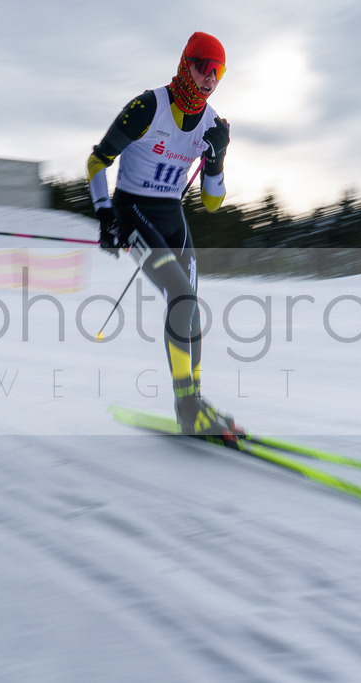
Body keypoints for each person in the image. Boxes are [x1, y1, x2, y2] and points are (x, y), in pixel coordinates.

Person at [87, 31, 241, 438]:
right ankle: (187, 406)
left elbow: (211, 203)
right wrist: (105, 215)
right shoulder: (146, 107)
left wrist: (217, 158)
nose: (210, 78)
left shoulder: (211, 124)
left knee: (190, 305)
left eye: (219, 71)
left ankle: (195, 401)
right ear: (185, 64)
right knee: (181, 295)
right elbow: (96, 161)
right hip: (133, 211)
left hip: (173, 217)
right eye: (203, 67)